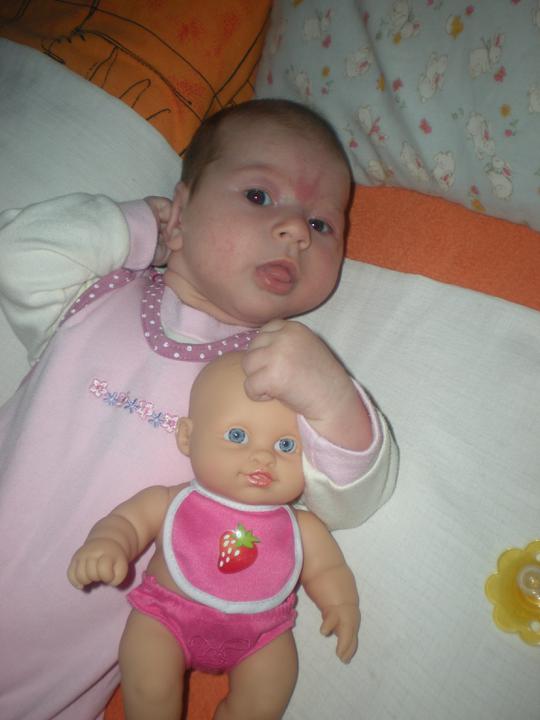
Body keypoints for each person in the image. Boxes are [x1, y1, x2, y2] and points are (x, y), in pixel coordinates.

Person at [0, 98, 397, 720]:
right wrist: (141, 228)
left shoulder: (273, 379)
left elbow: (354, 498)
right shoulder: (96, 293)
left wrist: (329, 393)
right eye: (260, 196)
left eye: (323, 225)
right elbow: (19, 253)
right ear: (183, 209)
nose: (296, 230)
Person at [68, 352, 361, 720]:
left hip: (260, 635)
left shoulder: (302, 527)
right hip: (166, 619)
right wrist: (108, 544)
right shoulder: (169, 501)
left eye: (286, 445)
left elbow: (328, 570)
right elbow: (126, 522)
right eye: (238, 436)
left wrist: (341, 605)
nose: (263, 457)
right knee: (149, 682)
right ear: (188, 437)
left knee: (267, 695)